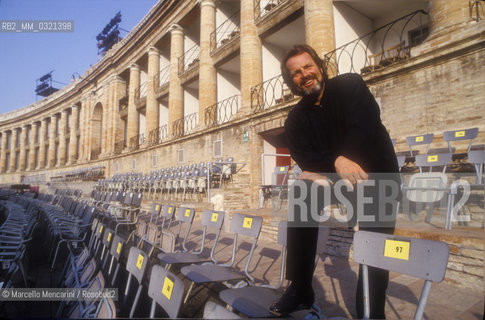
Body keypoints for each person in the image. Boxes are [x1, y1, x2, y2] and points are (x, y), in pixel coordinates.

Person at [269, 44, 399, 319]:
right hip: (339, 184)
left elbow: (365, 123)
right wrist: (336, 163)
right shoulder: (295, 119)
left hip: (378, 178)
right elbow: (306, 159)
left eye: (308, 67)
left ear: (319, 66)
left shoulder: (350, 85)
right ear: (291, 81)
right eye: (296, 73)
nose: (305, 74)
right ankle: (301, 288)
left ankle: (371, 311)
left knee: (376, 244)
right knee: (304, 190)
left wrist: (342, 157)